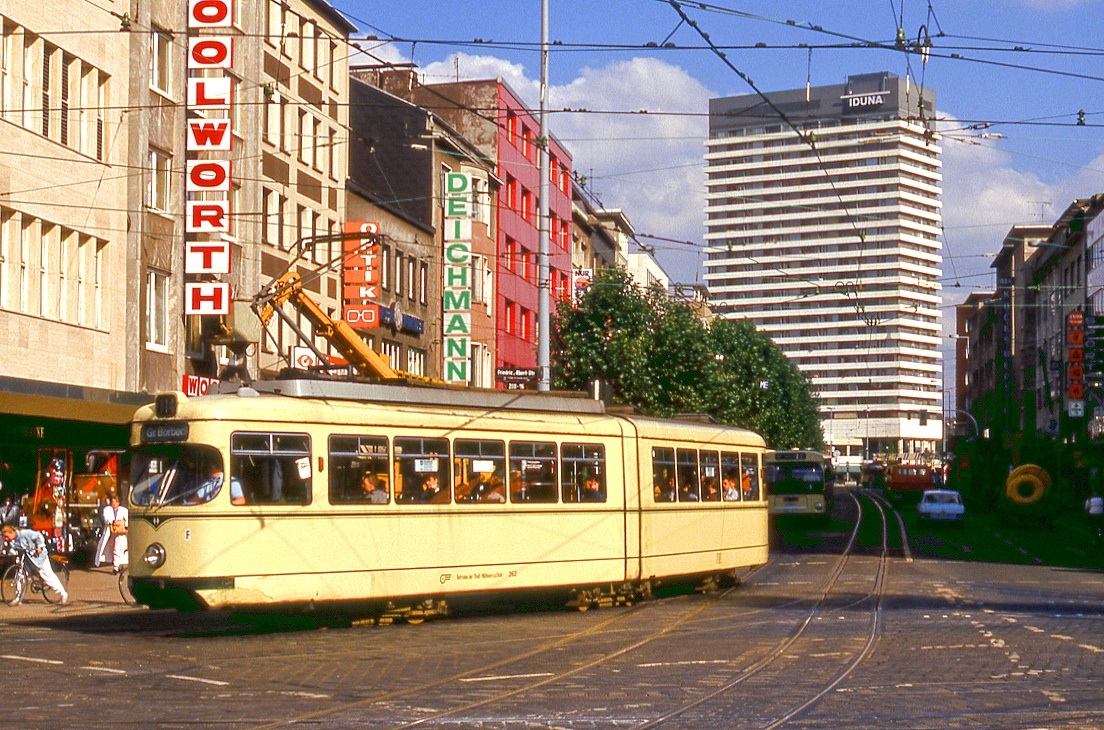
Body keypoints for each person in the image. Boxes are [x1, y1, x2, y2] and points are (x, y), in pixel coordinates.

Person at [1, 524, 68, 605]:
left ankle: (63, 594)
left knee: (48, 576)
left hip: (39, 557)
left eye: (7, 536)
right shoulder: (12, 541)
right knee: (20, 576)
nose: (7, 539)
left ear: (12, 532)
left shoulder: (25, 533)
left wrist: (40, 546)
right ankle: (18, 597)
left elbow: (39, 536)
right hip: (27, 559)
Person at [95, 494, 128, 572]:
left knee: (118, 548)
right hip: (110, 532)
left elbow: (127, 519)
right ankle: (116, 564)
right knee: (110, 548)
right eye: (112, 502)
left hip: (120, 533)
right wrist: (113, 521)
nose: (113, 504)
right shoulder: (107, 509)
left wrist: (124, 526)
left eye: (115, 502)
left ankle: (116, 566)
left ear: (118, 503)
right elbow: (106, 518)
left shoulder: (123, 510)